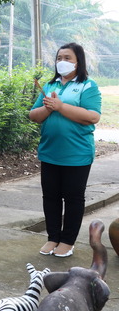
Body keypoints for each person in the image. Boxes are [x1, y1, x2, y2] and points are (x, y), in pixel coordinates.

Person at [29, 43, 101, 258]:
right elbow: (33, 115)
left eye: (67, 58)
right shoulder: (51, 85)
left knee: (73, 198)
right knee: (50, 197)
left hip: (77, 154)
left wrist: (60, 107)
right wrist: (48, 107)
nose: (62, 61)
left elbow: (93, 116)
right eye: (59, 57)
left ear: (78, 61)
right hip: (50, 151)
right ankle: (53, 237)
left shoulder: (88, 86)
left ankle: (67, 241)